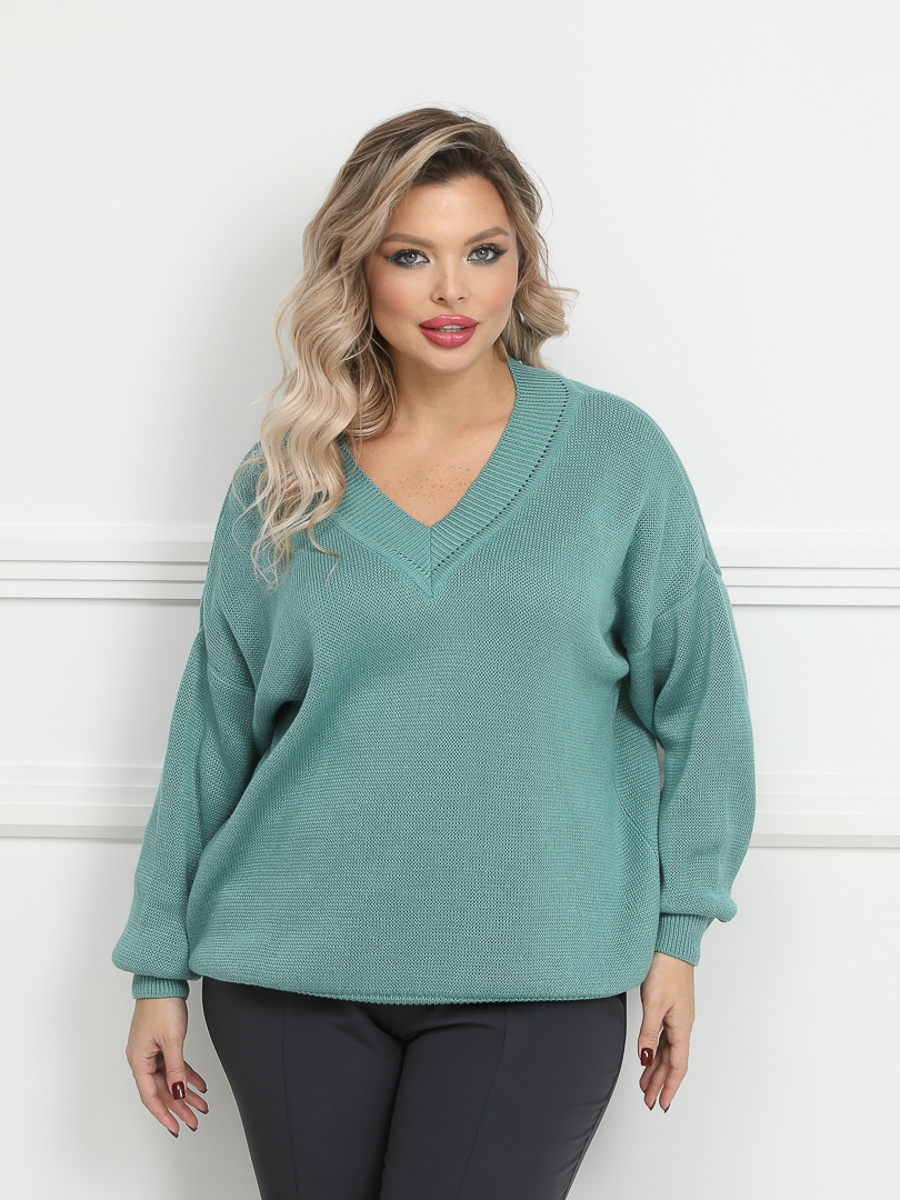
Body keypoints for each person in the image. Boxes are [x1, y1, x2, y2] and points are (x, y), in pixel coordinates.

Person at [112, 106, 756, 1200]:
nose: (452, 290)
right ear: (359, 272)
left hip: (538, 972)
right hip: (288, 970)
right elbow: (214, 731)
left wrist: (680, 935)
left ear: (520, 267)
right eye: (412, 256)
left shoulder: (617, 460)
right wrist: (157, 968)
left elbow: (705, 709)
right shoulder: (284, 479)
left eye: (483, 252)